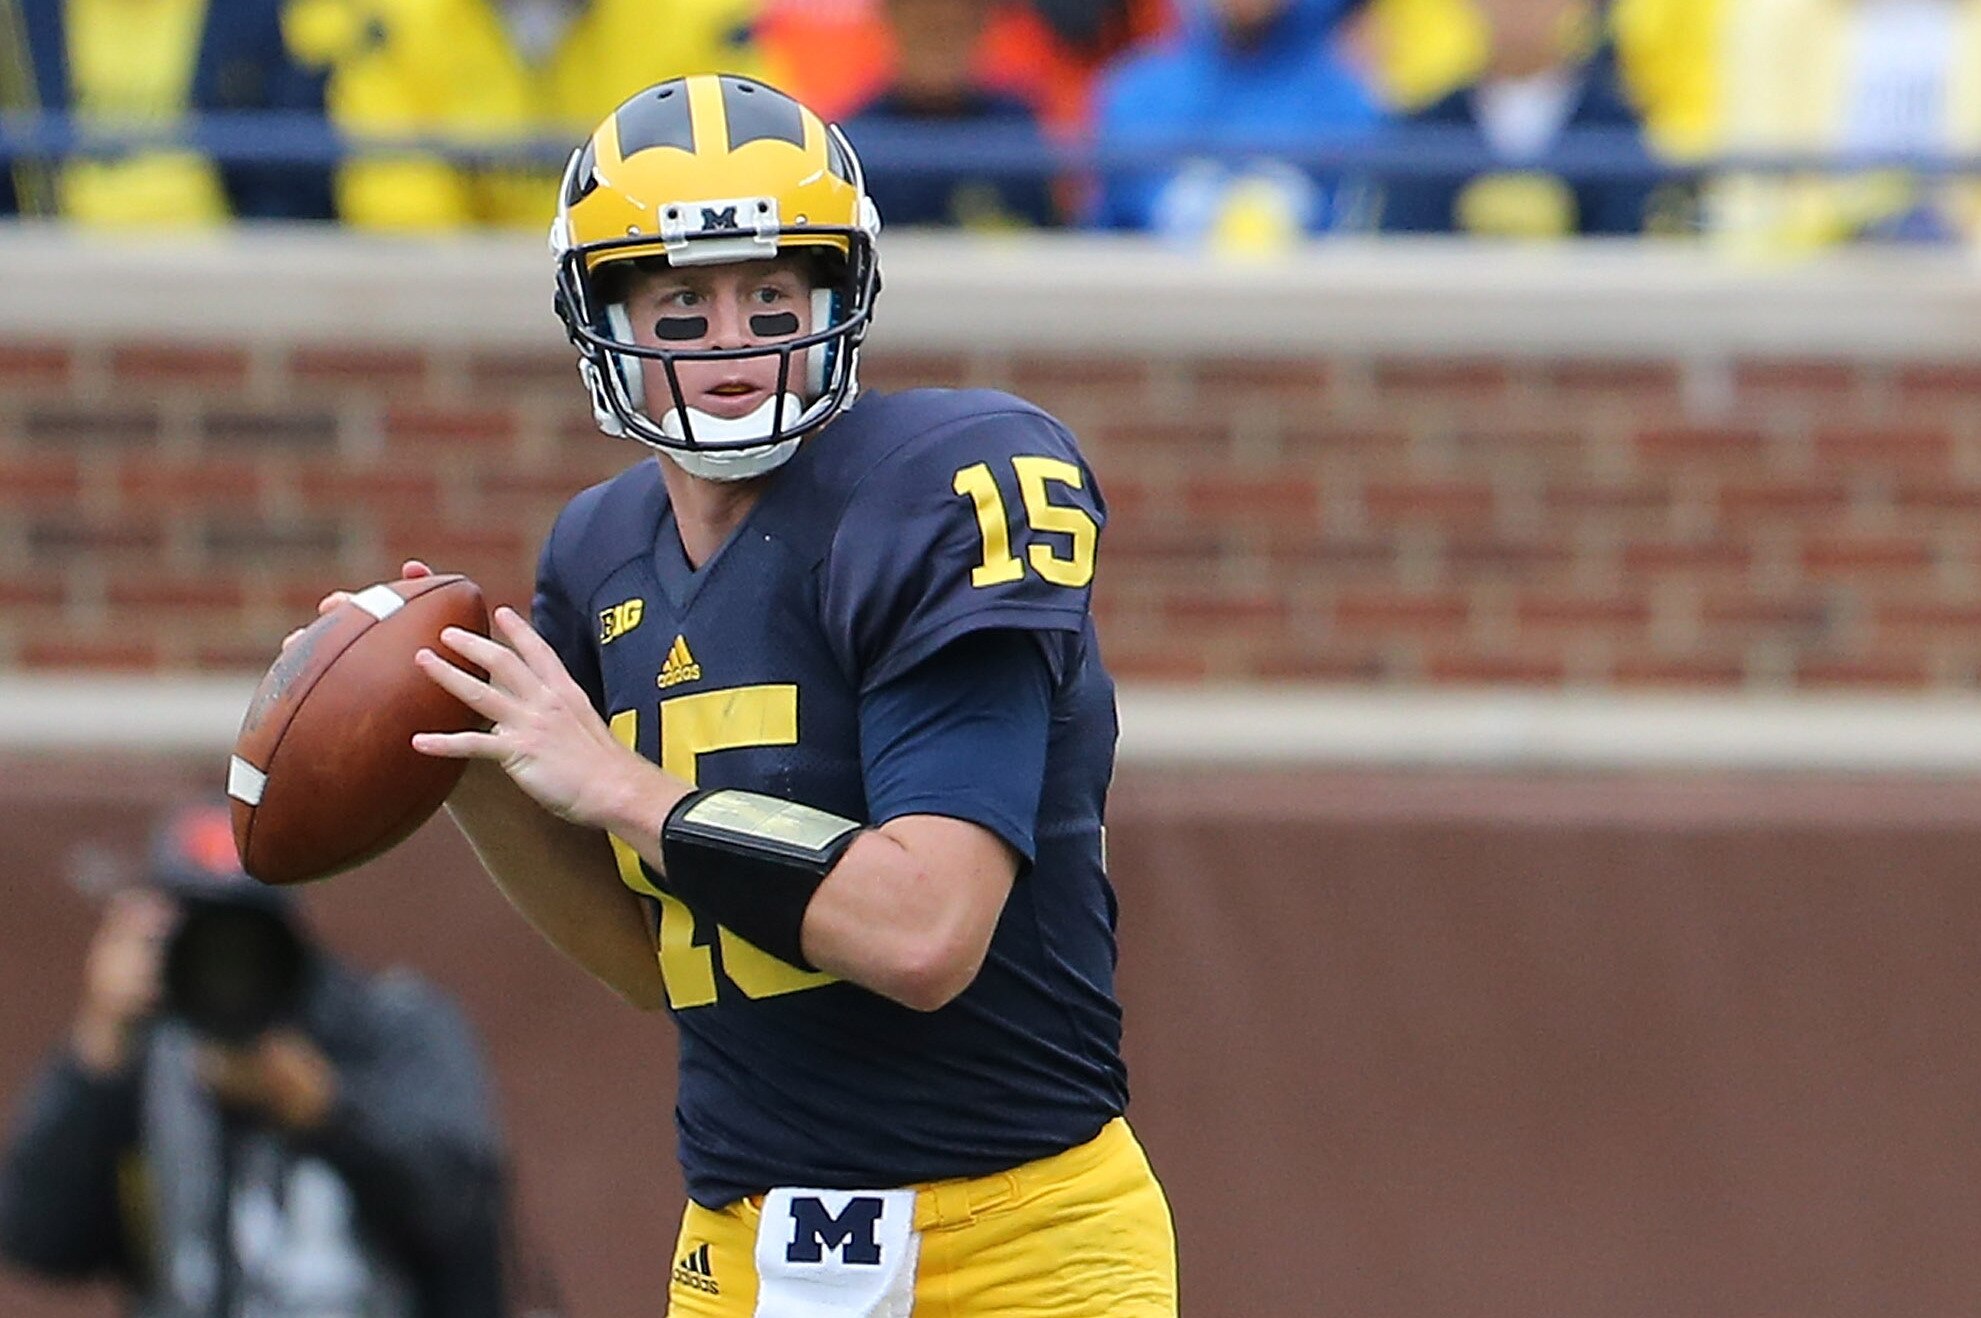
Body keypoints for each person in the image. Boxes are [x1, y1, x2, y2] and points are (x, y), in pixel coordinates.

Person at [307, 72, 1176, 1315]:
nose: (731, 340)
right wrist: (470, 750)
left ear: (836, 301)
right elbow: (655, 957)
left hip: (1020, 1238)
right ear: (602, 316)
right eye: (682, 304)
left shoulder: (944, 483)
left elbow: (924, 931)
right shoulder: (599, 550)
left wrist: (622, 787)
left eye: (770, 297)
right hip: (746, 1241)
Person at [0, 800, 511, 1317]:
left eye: (248, 932)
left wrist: (329, 1114)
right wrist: (98, 1049)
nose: (227, 964)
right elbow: (37, 1241)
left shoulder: (382, 1027)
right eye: (198, 928)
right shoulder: (146, 1053)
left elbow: (461, 1209)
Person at [1087, 0, 1387, 245]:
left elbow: (1360, 249)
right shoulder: (1135, 97)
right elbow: (1100, 247)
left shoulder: (1348, 107)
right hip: (1159, 300)